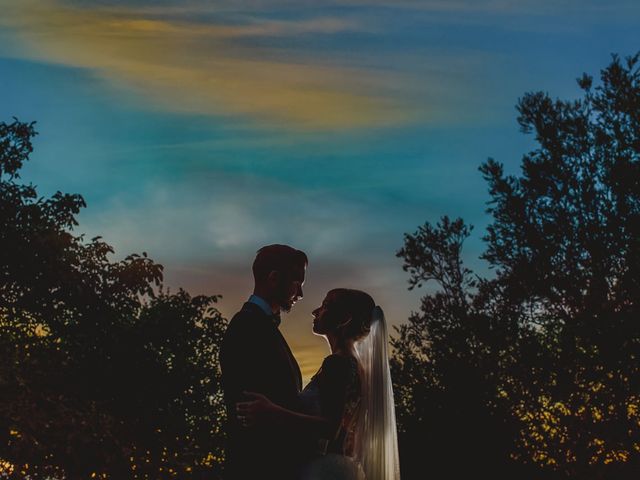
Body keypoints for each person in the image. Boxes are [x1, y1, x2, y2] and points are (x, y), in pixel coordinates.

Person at [237, 288, 401, 480]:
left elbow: (331, 428)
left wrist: (270, 411)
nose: (315, 311)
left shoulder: (337, 364)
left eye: (325, 306)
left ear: (344, 319)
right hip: (343, 467)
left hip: (324, 470)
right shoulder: (357, 365)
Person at [220, 244, 308, 480]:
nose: (299, 294)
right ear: (273, 278)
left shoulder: (261, 326)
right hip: (258, 467)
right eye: (296, 283)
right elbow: (248, 410)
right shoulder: (247, 327)